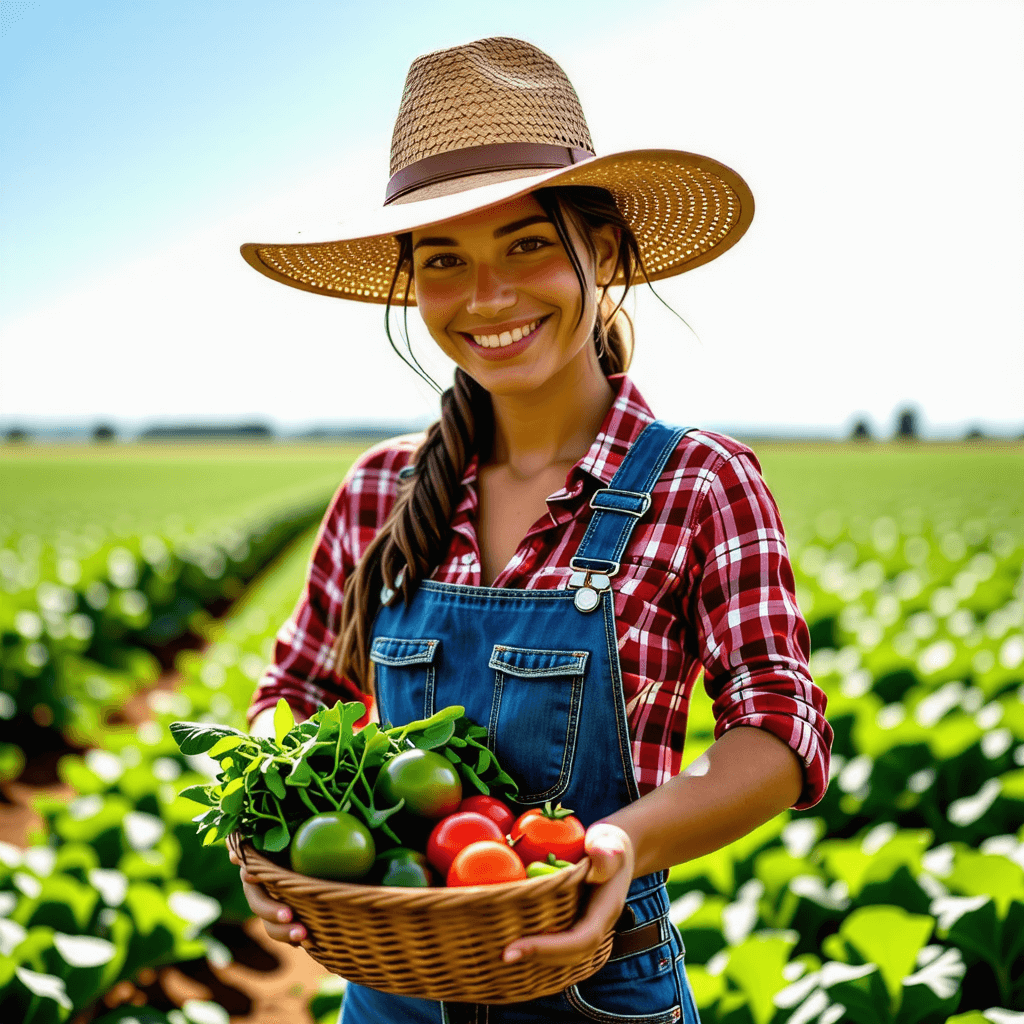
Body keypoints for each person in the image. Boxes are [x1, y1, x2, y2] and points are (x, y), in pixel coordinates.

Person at [230, 36, 832, 1024]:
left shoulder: (697, 481)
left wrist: (622, 843)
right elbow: (293, 693)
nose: (487, 296)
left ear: (601, 252)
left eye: (527, 244)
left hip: (599, 986)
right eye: (443, 261)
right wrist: (270, 815)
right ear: (409, 283)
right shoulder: (381, 487)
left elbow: (774, 730)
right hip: (391, 990)